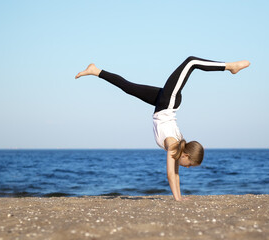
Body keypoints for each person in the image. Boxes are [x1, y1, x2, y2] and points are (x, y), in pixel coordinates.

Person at [75, 56, 250, 201]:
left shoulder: (177, 148)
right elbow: (170, 174)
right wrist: (178, 199)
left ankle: (95, 70)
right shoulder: (174, 146)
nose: (186, 168)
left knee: (128, 88)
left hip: (162, 104)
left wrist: (179, 197)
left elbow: (175, 174)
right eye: (189, 165)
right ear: (186, 155)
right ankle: (231, 67)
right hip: (168, 103)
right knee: (191, 62)